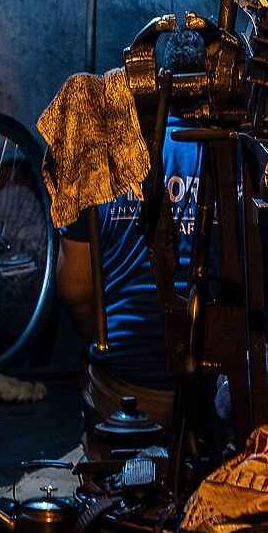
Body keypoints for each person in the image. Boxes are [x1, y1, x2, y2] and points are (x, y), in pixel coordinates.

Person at [55, 127, 204, 426]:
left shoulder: (96, 145)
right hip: (222, 393)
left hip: (125, 390)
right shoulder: (241, 144)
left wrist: (109, 342)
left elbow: (75, 290)